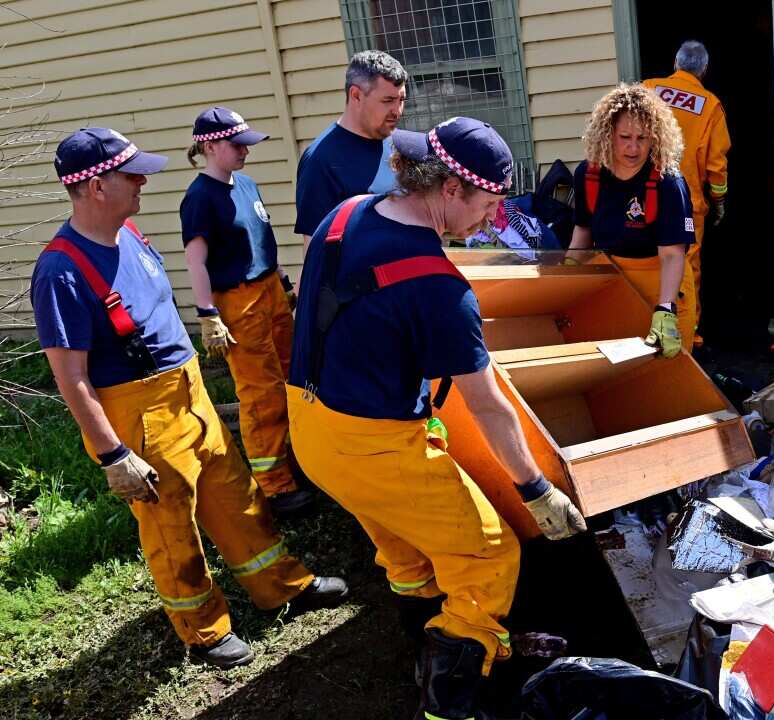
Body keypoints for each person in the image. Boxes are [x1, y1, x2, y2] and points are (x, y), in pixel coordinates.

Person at [287, 117, 586, 720]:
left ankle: (422, 649)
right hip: (372, 444)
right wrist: (535, 489)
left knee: (409, 552)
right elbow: (488, 404)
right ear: (450, 188)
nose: (493, 219)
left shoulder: (344, 215)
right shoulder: (440, 288)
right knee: (490, 554)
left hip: (310, 424)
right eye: (488, 203)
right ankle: (449, 701)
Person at [30, 128, 348, 670]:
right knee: (171, 526)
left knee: (236, 494)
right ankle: (202, 629)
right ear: (93, 187)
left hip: (190, 392)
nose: (143, 183)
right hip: (140, 413)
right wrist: (112, 454)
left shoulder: (128, 233)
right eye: (132, 175)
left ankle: (281, 584)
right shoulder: (61, 272)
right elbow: (70, 377)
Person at [180, 107, 312, 518]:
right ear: (209, 146)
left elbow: (261, 240)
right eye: (237, 145)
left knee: (295, 378)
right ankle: (275, 485)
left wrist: (285, 285)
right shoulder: (200, 198)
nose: (245, 152)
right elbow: (196, 261)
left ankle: (301, 461)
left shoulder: (248, 185)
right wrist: (208, 313)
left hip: (270, 290)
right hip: (237, 300)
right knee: (261, 393)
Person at [569, 84, 698, 357]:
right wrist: (565, 282)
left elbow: (672, 255)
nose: (633, 147)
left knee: (670, 374)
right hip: (616, 287)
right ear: (607, 135)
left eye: (642, 138)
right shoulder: (588, 175)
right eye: (624, 136)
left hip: (664, 285)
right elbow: (582, 233)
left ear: (656, 138)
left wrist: (665, 310)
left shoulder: (668, 182)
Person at [643, 40, 731, 344]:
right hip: (687, 205)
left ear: (676, 63)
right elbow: (716, 166)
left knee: (645, 262)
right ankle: (684, 336)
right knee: (685, 270)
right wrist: (718, 201)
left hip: (642, 198)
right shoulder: (710, 105)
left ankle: (644, 324)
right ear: (704, 69)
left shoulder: (648, 88)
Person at [294, 49, 406, 249]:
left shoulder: (400, 142)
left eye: (401, 100)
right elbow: (316, 248)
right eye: (388, 101)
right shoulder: (321, 160)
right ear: (356, 96)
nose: (397, 111)